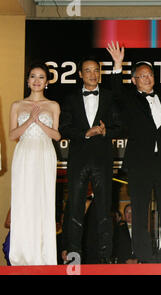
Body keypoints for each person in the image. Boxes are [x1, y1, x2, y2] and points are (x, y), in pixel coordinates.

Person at [107, 42, 161, 263]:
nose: (147, 78)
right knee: (140, 210)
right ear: (134, 81)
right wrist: (118, 65)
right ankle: (143, 255)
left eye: (149, 74)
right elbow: (116, 93)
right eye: (141, 75)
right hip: (140, 163)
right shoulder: (129, 100)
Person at [59, 57, 123, 264]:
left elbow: (120, 126)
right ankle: (73, 257)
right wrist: (85, 133)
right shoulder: (69, 99)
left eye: (96, 70)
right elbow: (63, 128)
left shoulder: (109, 96)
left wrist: (106, 132)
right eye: (88, 70)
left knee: (104, 210)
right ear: (80, 74)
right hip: (78, 158)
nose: (93, 74)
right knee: (75, 208)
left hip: (102, 158)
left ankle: (105, 258)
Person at [8, 62, 61, 265]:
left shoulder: (53, 105)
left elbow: (56, 135)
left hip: (44, 153)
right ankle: (21, 255)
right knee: (23, 200)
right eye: (33, 76)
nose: (36, 81)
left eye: (41, 77)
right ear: (27, 80)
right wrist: (29, 120)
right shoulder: (17, 105)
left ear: (47, 82)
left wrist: (39, 122)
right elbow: (12, 135)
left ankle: (43, 256)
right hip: (24, 154)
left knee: (43, 200)